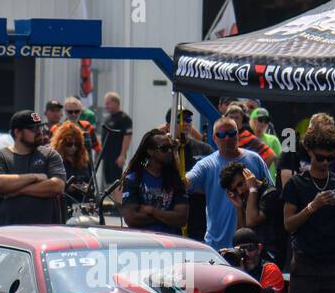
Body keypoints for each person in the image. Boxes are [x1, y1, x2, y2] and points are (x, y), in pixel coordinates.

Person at [281, 122, 335, 293]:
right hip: (305, 266)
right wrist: (312, 207)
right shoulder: (297, 184)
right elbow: (288, 225)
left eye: (330, 158)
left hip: (334, 266)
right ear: (310, 152)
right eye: (320, 157)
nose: (325, 163)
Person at [187, 116, 269, 252]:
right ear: (214, 138)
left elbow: (269, 192)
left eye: (231, 133)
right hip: (217, 245)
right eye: (221, 134)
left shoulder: (254, 159)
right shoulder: (207, 164)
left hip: (250, 245)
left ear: (238, 134)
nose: (227, 138)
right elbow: (187, 182)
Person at [0, 110, 67, 227]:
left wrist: (17, 190)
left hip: (45, 231)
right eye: (33, 129)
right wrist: (35, 177)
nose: (40, 132)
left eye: (40, 127)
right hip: (8, 230)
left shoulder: (50, 155)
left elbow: (57, 186)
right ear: (17, 132)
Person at [120, 128, 189, 235]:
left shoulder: (175, 180)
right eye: (164, 148)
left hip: (171, 245)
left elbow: (181, 219)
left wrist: (152, 211)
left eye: (171, 147)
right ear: (150, 151)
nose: (170, 151)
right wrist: (167, 217)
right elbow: (131, 219)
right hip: (143, 245)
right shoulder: (133, 179)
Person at [228, 227, 284, 293]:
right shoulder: (231, 270)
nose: (247, 254)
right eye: (241, 250)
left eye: (250, 248)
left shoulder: (270, 269)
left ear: (259, 248)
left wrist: (243, 276)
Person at [50, 121, 93, 214]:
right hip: (63, 206)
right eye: (69, 144)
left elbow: (91, 182)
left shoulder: (84, 160)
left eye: (76, 144)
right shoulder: (54, 160)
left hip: (83, 204)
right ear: (61, 143)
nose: (73, 147)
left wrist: (88, 187)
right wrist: (66, 187)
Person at [96, 91, 133, 194]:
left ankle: (118, 205)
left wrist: (122, 155)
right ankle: (112, 204)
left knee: (116, 182)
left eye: (108, 103)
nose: (105, 106)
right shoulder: (108, 118)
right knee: (108, 182)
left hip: (116, 156)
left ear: (116, 103)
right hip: (106, 156)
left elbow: (127, 137)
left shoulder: (124, 118)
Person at [249, 108, 283, 178]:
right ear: (253, 120)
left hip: (269, 185)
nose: (263, 123)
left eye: (266, 121)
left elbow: (280, 162)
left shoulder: (273, 140)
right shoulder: (245, 138)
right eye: (260, 120)